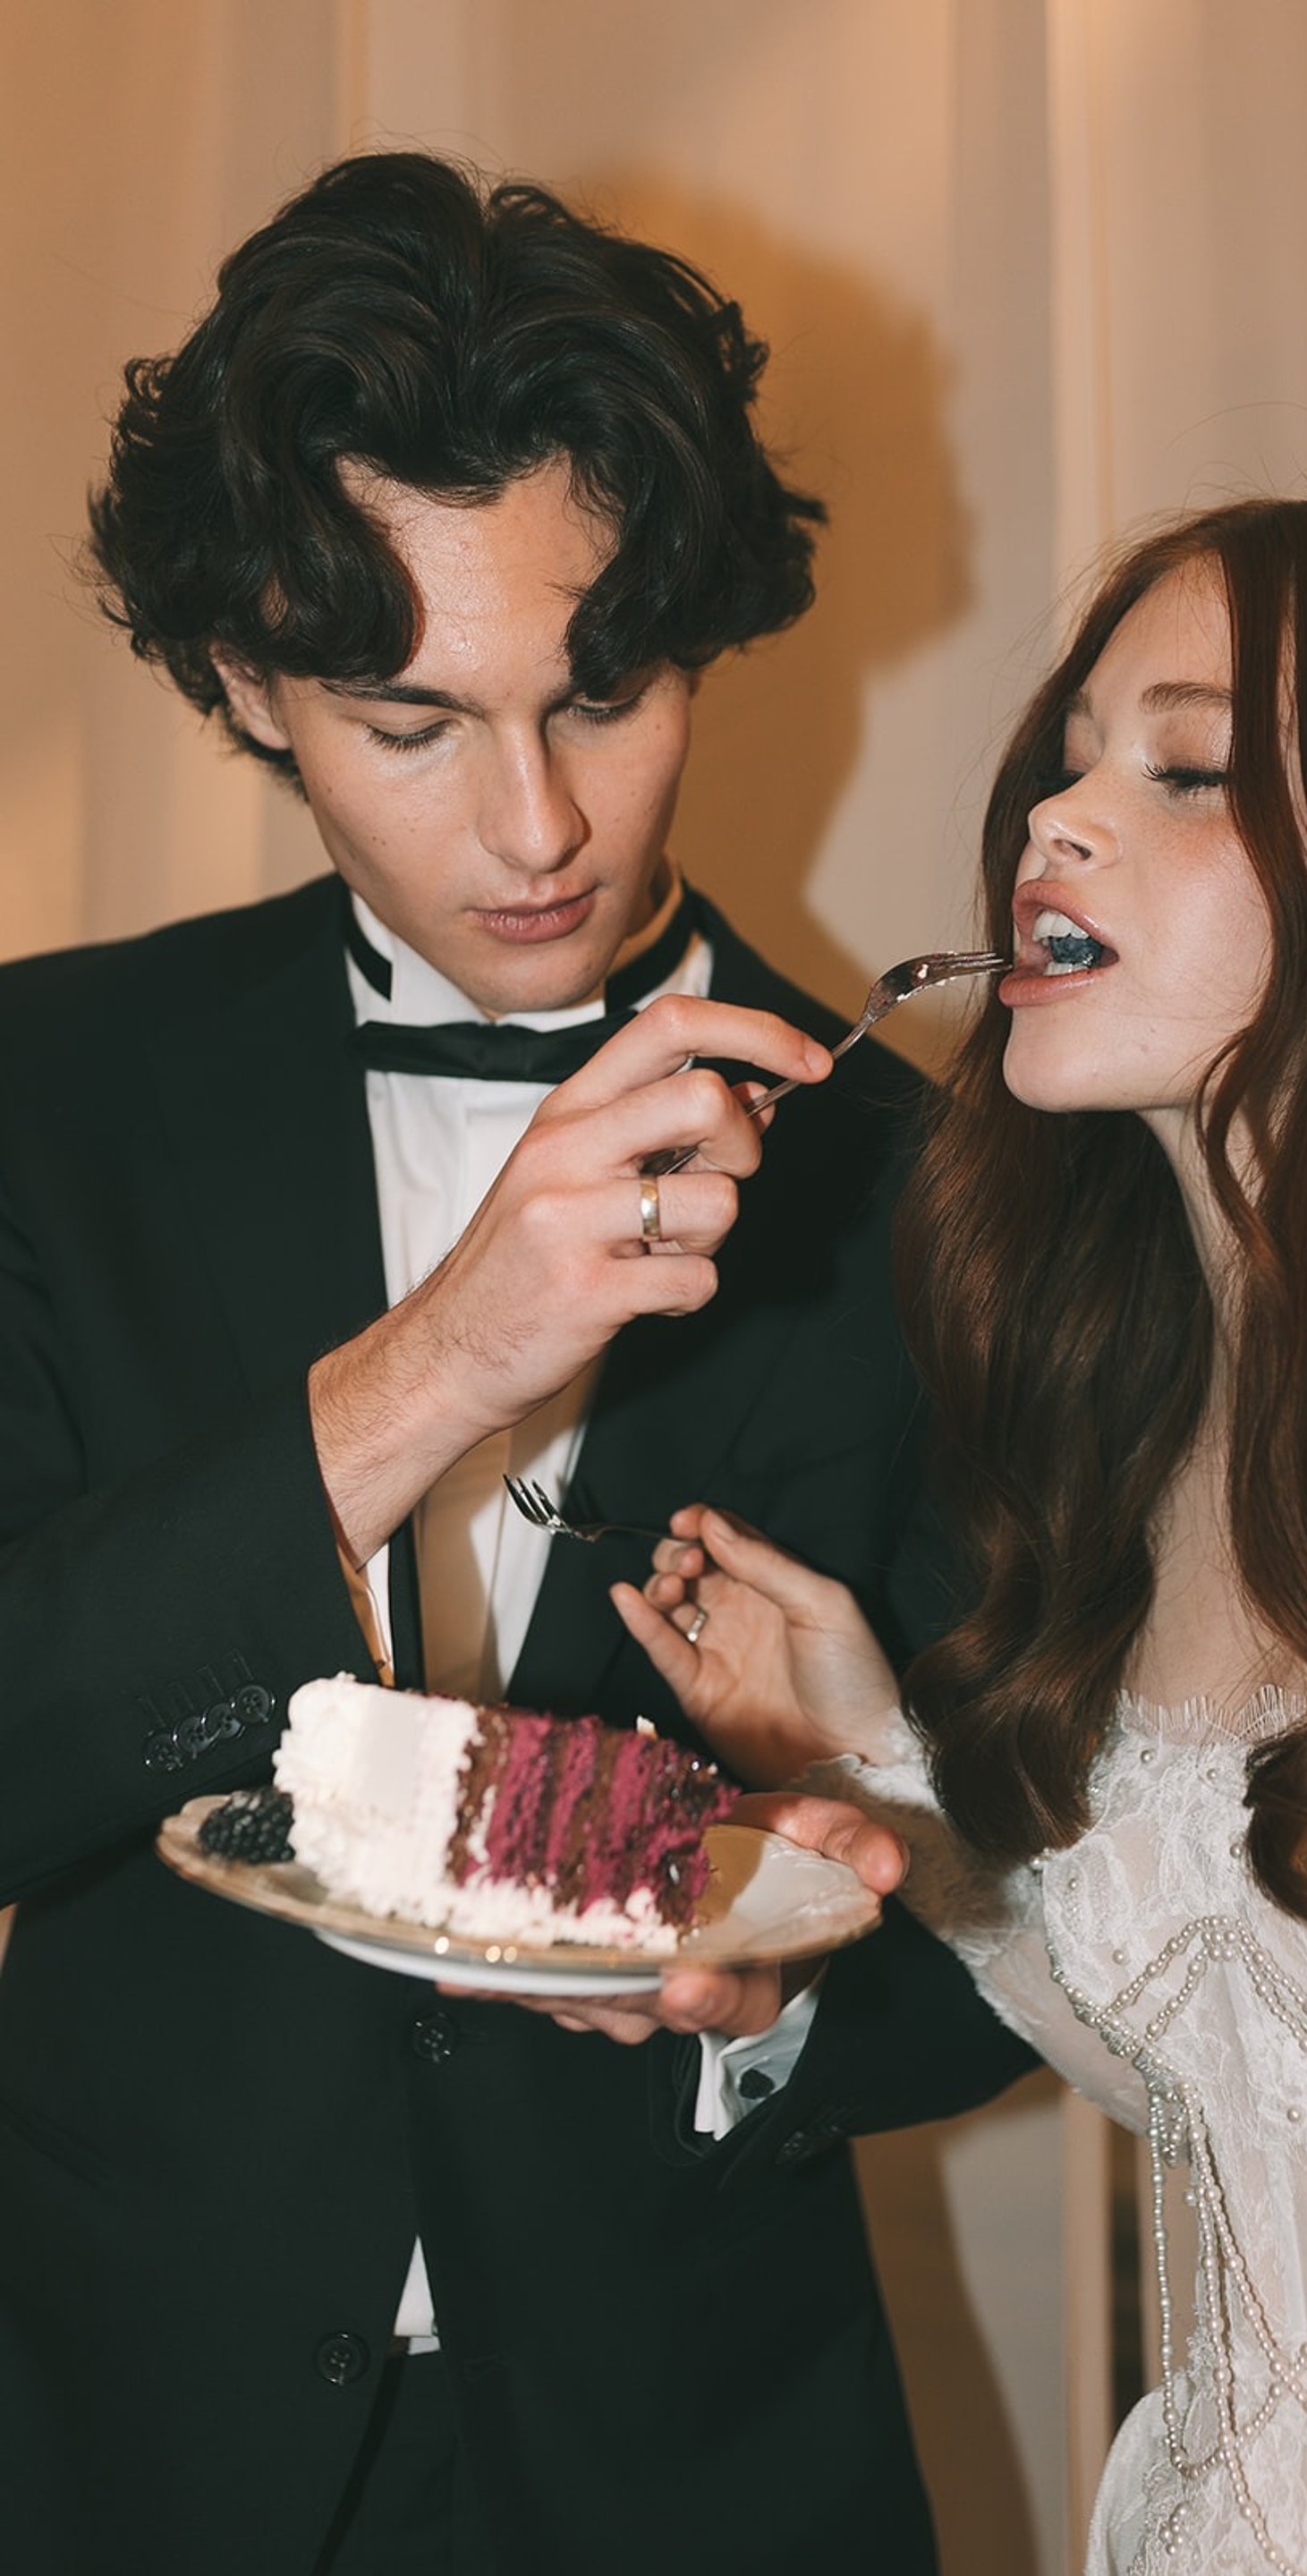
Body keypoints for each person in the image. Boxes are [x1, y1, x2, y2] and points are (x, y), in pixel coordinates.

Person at [0, 152, 1033, 2576]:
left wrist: (765, 2000)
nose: (539, 823)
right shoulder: (52, 1100)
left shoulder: (937, 1181)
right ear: (246, 682)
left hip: (697, 2474)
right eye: (408, 717)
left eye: (607, 688)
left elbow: (1034, 1943)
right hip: (127, 2462)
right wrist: (437, 1367)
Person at [621, 495, 1307, 2573]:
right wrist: (869, 1755)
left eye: (1187, 769)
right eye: (1072, 748)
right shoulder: (1141, 1454)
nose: (1058, 810)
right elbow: (1246, 2090)